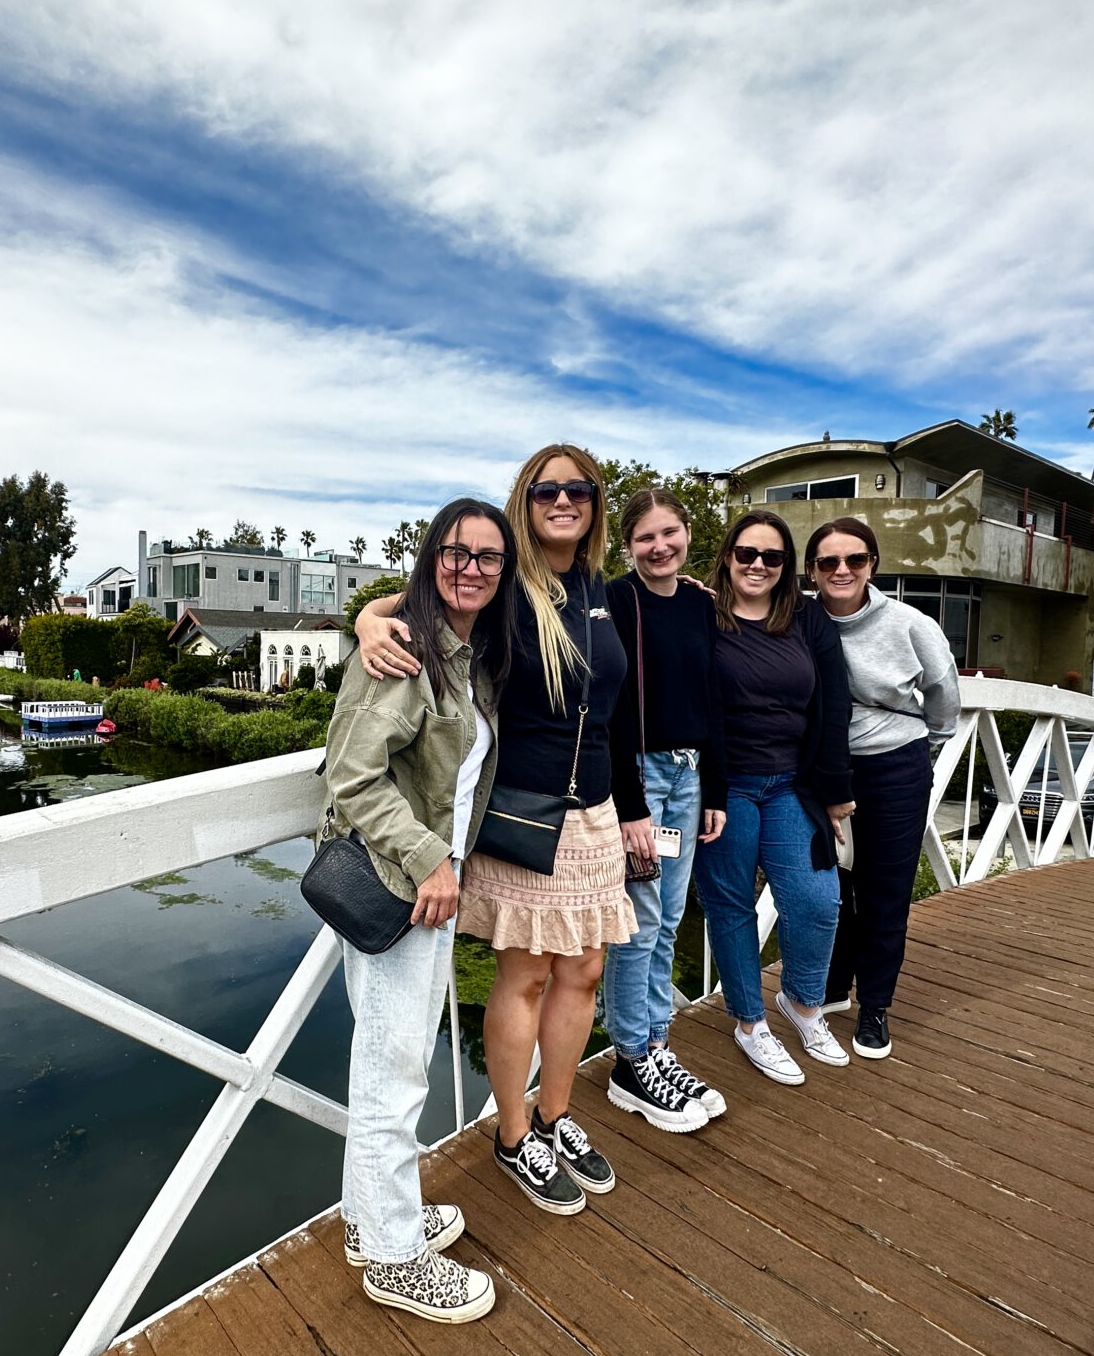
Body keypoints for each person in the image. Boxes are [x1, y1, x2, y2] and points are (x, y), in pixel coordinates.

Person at [357, 444, 632, 1216]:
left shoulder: (601, 589)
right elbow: (416, 603)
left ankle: (556, 1115)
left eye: (577, 489)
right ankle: (513, 1136)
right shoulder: (510, 587)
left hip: (596, 815)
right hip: (522, 813)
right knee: (529, 976)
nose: (562, 500)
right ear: (526, 499)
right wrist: (366, 618)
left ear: (594, 503)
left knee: (582, 974)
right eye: (546, 490)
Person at [320, 496, 516, 1323]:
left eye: (488, 557)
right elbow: (351, 777)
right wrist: (432, 857)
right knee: (394, 1073)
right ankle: (397, 1259)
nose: (470, 568)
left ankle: (372, 1219)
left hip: (424, 884)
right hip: (401, 881)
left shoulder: (463, 654)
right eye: (455, 552)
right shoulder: (400, 651)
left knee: (385, 1060)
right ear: (431, 556)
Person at [694, 510, 855, 1086]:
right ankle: (748, 1021)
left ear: (788, 566)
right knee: (731, 904)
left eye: (772, 556)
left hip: (794, 784)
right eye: (746, 554)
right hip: (723, 788)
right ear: (727, 557)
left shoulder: (808, 620)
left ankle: (803, 1004)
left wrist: (836, 794)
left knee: (816, 897)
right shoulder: (702, 616)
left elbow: (834, 706)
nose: (758, 565)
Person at [807, 517, 960, 1060]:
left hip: (895, 764)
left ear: (873, 564)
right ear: (813, 571)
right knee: (830, 881)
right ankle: (831, 985)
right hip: (826, 768)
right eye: (829, 562)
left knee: (884, 889)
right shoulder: (801, 619)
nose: (842, 570)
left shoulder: (909, 623)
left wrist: (924, 750)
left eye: (855, 560)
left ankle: (874, 1004)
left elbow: (943, 693)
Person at [602, 490, 724, 1132]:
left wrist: (718, 793)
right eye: (646, 537)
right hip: (642, 777)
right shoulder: (613, 600)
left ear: (686, 534)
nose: (659, 547)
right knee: (639, 921)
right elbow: (613, 707)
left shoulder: (703, 605)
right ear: (628, 545)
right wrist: (629, 805)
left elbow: (716, 702)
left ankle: (655, 1041)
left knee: (670, 917)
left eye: (669, 533)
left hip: (690, 774)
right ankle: (629, 1057)